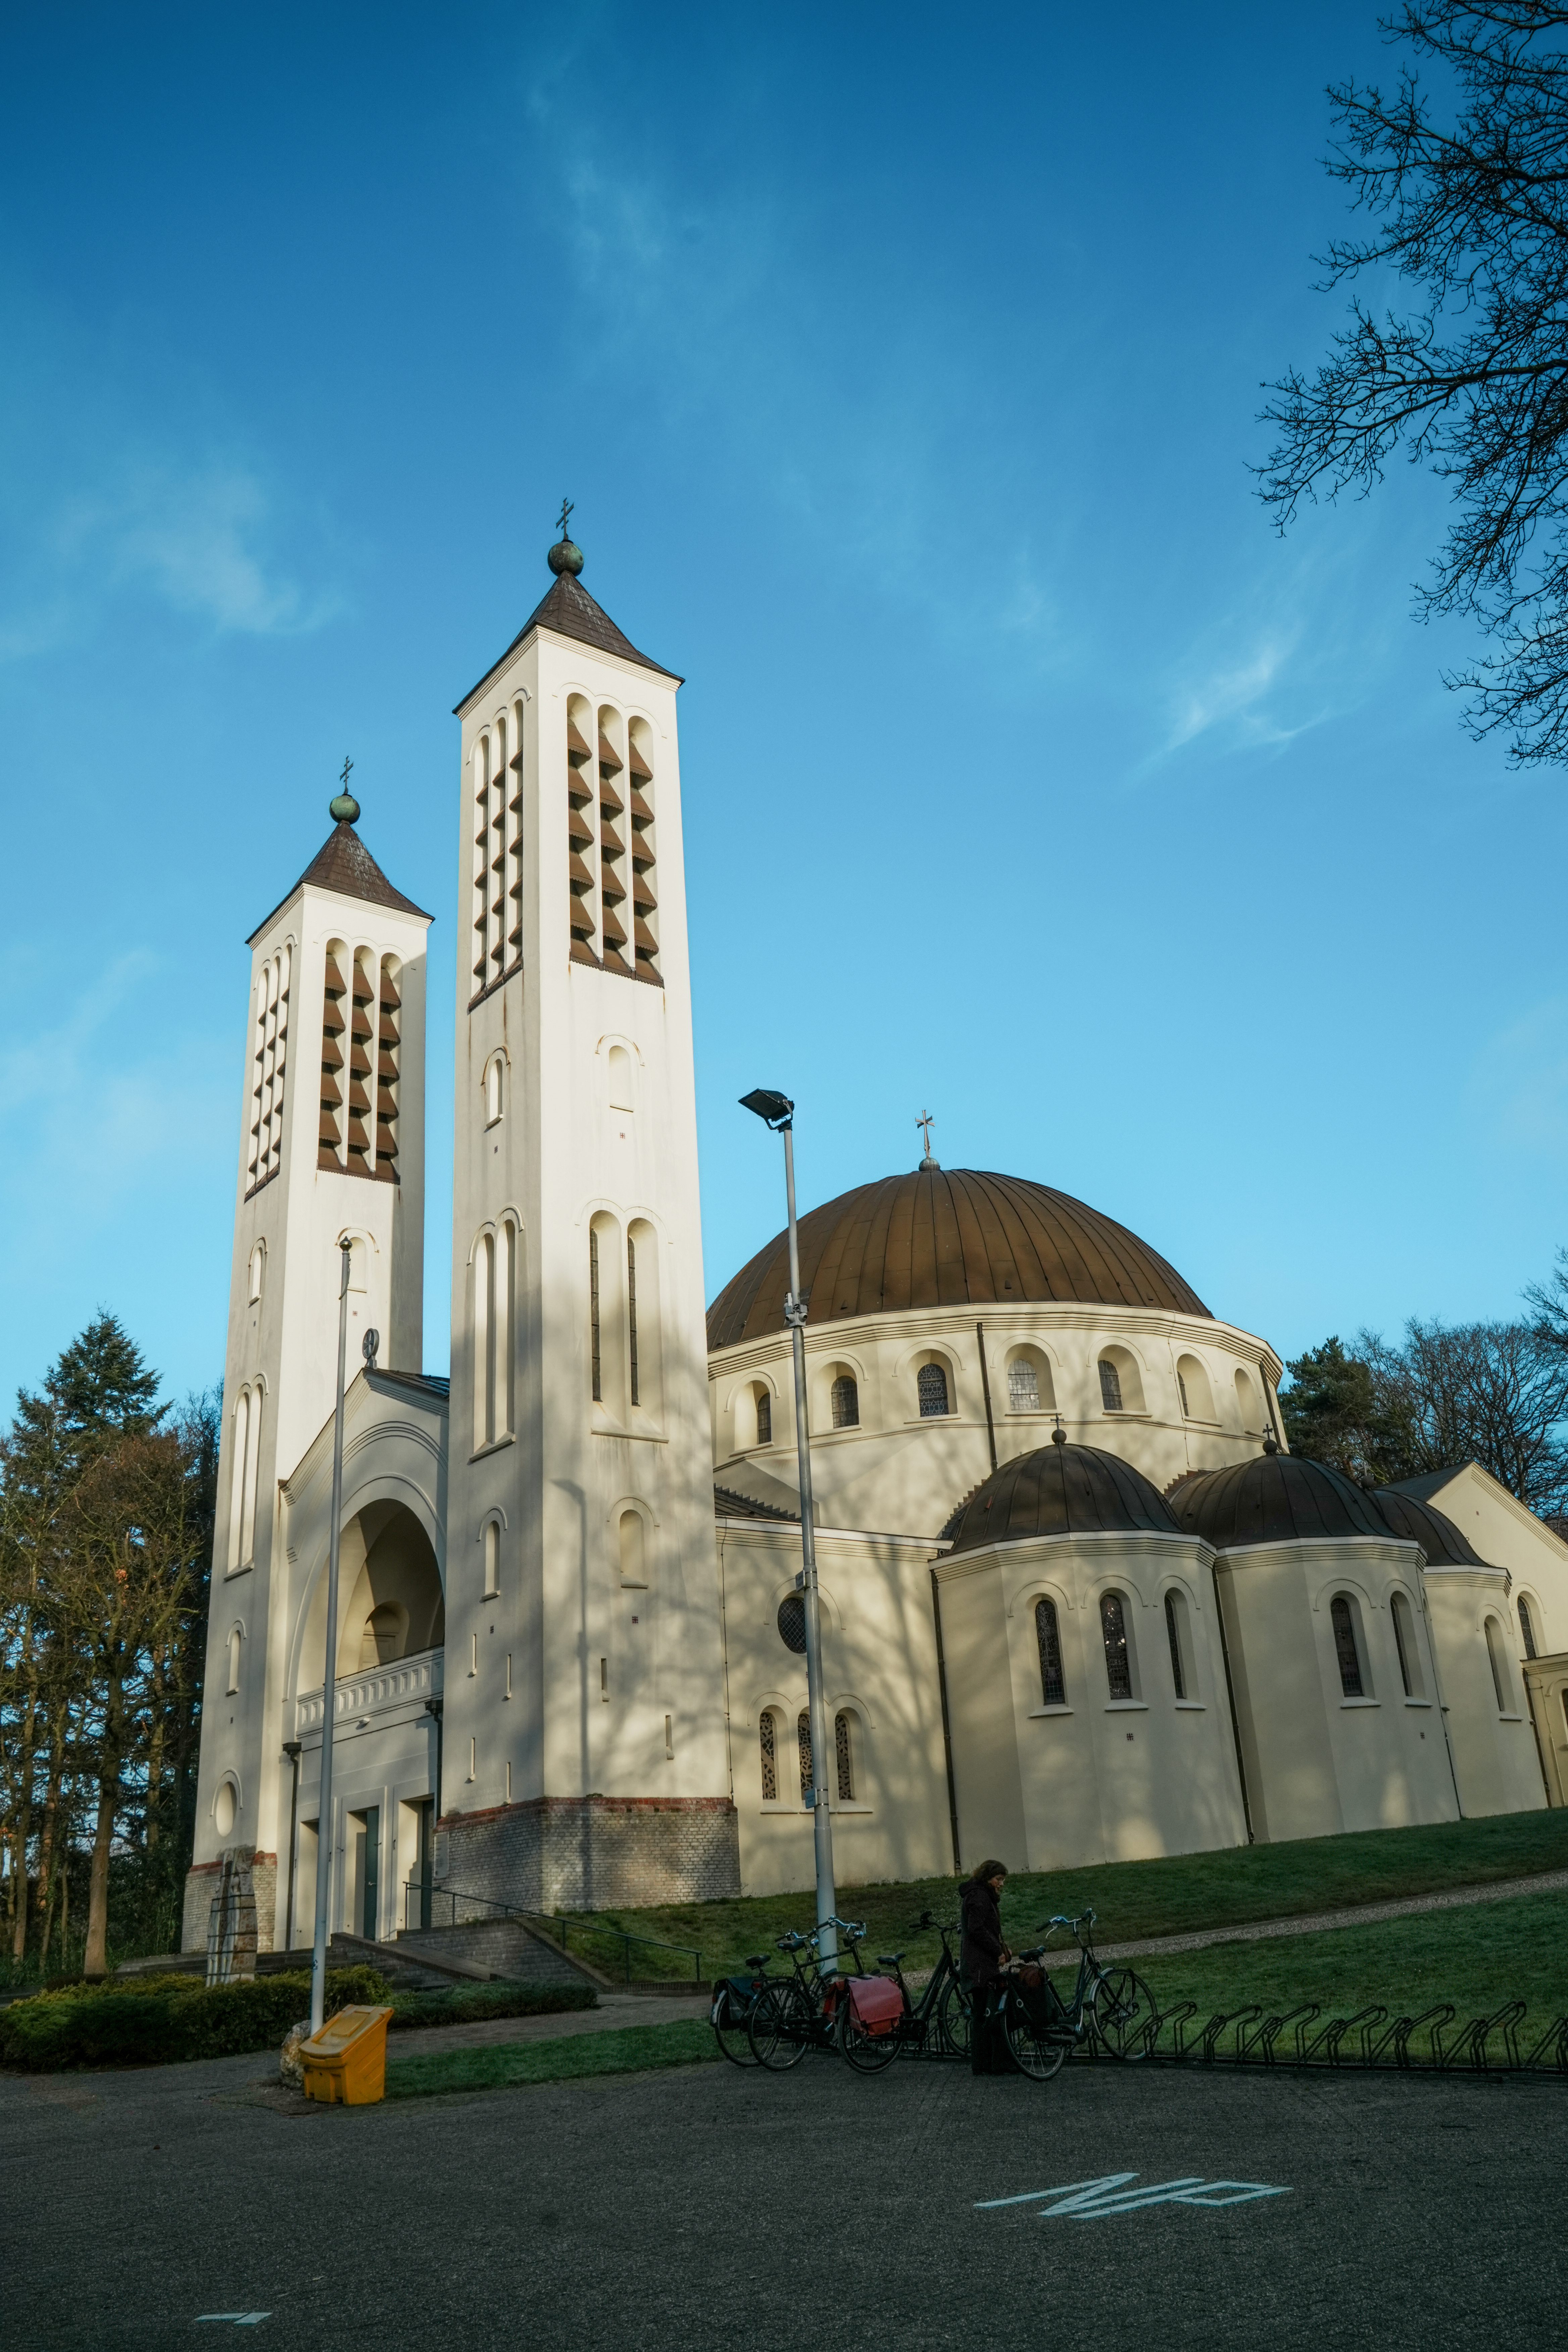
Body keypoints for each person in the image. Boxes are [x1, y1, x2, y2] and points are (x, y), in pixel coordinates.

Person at [960, 1860, 1012, 2074]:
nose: (1001, 1884)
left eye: (1003, 1880)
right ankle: (992, 2064)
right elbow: (978, 1930)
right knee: (986, 2013)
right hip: (980, 1966)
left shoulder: (980, 1896)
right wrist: (996, 1951)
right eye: (999, 1879)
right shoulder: (980, 1898)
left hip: (979, 1964)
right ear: (987, 1878)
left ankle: (984, 2064)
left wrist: (1002, 1948)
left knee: (982, 2013)